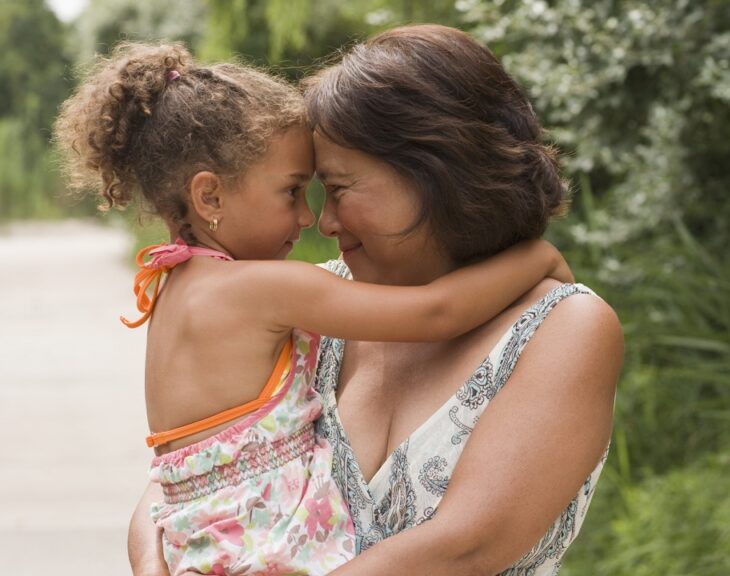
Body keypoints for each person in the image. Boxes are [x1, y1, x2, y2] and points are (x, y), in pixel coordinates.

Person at [54, 42, 571, 576]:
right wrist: (537, 259)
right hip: (261, 544)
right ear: (209, 197)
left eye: (327, 190)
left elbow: (186, 459)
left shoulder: (173, 288)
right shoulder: (264, 290)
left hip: (199, 542)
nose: (309, 218)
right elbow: (435, 314)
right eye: (293, 191)